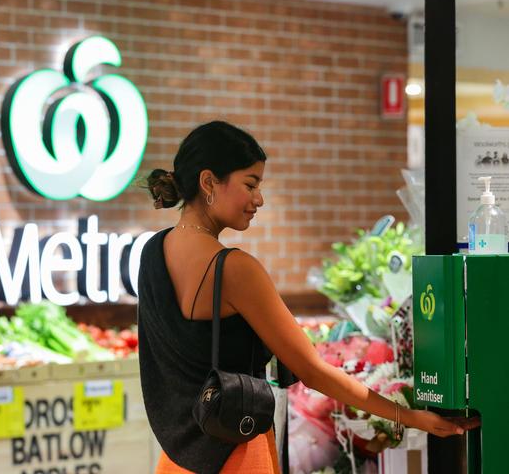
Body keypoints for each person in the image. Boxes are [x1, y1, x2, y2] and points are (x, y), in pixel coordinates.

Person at [138, 121, 478, 474]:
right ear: (208, 182)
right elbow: (313, 371)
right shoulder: (235, 269)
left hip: (177, 458)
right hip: (236, 453)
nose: (259, 199)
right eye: (250, 184)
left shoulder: (152, 253)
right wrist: (408, 416)